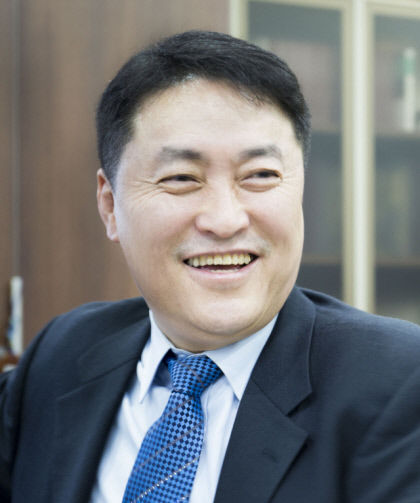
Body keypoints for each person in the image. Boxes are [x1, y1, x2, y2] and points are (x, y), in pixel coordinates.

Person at [1, 30, 420, 503]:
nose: (225, 220)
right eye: (182, 178)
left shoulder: (399, 383)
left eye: (260, 175)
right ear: (110, 205)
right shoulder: (61, 355)